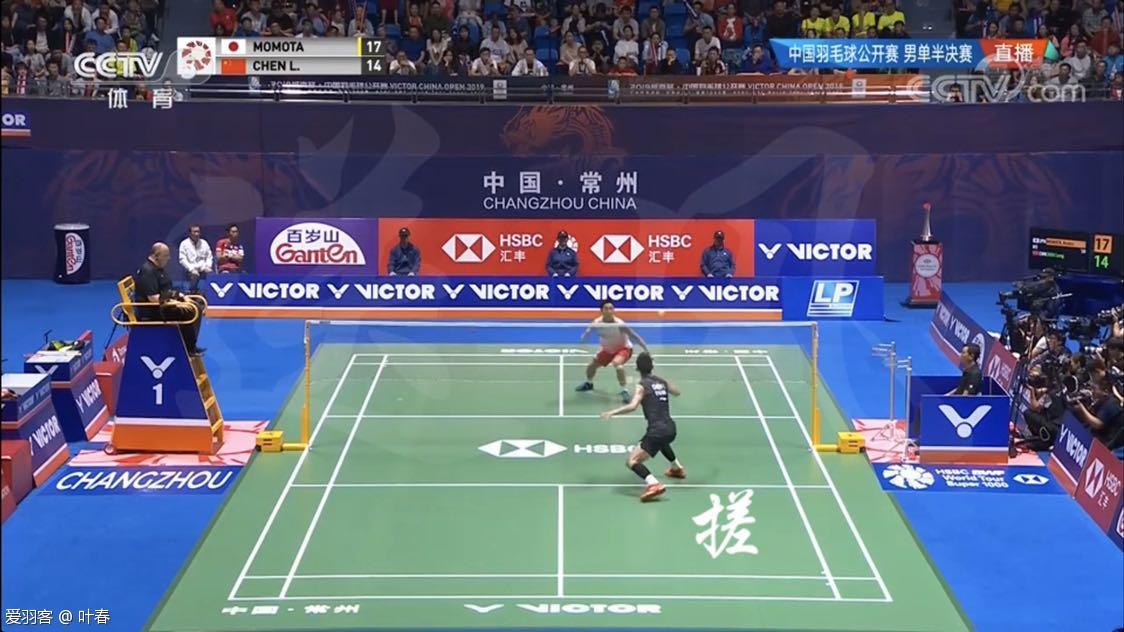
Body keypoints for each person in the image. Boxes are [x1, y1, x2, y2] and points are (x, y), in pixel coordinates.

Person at [600, 352, 686, 502]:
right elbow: (677, 392)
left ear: (638, 369)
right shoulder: (661, 382)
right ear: (652, 367)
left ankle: (653, 484)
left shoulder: (642, 385)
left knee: (632, 461)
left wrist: (612, 412)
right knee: (662, 443)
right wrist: (662, 382)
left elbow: (633, 406)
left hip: (657, 431)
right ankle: (676, 468)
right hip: (671, 429)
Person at [134, 242, 205, 355]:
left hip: (164, 304)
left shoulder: (158, 268)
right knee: (189, 312)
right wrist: (177, 303)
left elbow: (167, 290)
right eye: (166, 255)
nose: (169, 258)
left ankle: (191, 344)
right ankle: (188, 348)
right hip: (153, 311)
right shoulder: (148, 271)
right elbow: (153, 299)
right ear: (156, 256)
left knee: (197, 304)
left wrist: (181, 296)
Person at [576, 300, 651, 404]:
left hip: (623, 349)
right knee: (591, 366)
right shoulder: (597, 323)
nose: (609, 311)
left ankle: (624, 390)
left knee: (618, 365)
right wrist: (584, 337)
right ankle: (589, 383)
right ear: (602, 311)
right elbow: (588, 331)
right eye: (606, 308)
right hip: (607, 350)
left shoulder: (619, 324)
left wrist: (646, 349)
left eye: (611, 308)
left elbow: (634, 335)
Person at [178, 224, 213, 292]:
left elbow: (209, 256)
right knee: (194, 275)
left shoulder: (204, 243)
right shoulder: (184, 244)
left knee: (211, 273)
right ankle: (192, 291)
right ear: (190, 233)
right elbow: (182, 259)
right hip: (190, 268)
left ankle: (208, 292)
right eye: (194, 232)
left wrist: (208, 266)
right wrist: (191, 269)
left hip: (203, 267)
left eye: (198, 232)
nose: (197, 234)